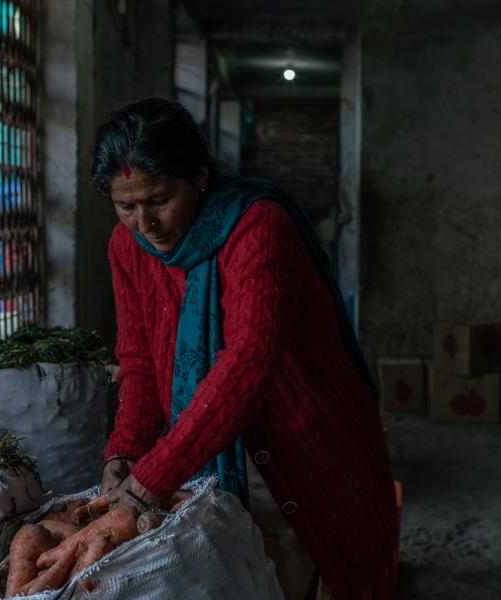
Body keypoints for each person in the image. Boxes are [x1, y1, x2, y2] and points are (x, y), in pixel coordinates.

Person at [92, 98, 397, 599]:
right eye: (126, 206)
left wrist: (155, 475)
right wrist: (124, 450)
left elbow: (248, 362)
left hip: (302, 445)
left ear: (200, 177)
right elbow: (139, 362)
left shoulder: (256, 226)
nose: (145, 223)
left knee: (296, 574)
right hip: (202, 451)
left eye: (160, 199)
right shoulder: (127, 248)